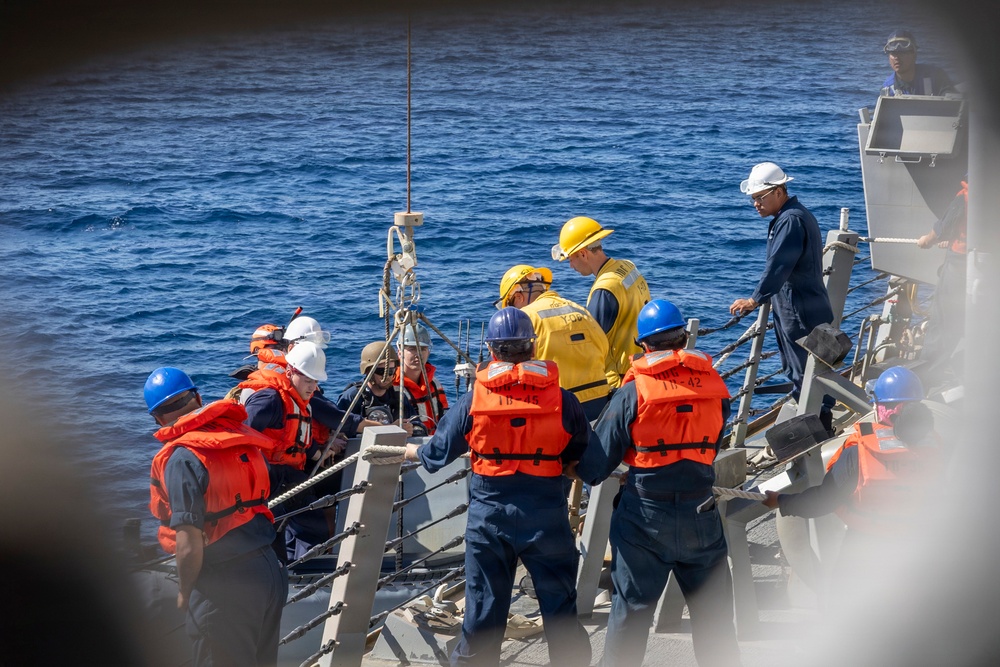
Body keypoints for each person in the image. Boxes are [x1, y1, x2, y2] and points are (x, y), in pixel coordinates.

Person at [405, 307, 592, 667]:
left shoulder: (474, 400)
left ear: (491, 350)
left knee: (483, 614)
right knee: (560, 612)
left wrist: (410, 450)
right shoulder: (563, 400)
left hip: (489, 520)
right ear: (532, 348)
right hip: (546, 518)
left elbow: (436, 455)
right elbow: (592, 464)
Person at [570, 299, 741, 667]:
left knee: (631, 612)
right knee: (714, 618)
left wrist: (573, 466)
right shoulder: (715, 388)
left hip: (644, 517)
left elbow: (595, 467)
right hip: (701, 513)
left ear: (644, 345)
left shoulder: (634, 392)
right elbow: (711, 444)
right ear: (684, 339)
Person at [145, 367, 287, 667]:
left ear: (157, 418)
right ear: (198, 399)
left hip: (224, 585)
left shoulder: (182, 458)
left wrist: (184, 592)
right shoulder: (239, 437)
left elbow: (188, 543)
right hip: (269, 572)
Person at [762, 367, 942, 598]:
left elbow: (823, 500)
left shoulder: (859, 453)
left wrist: (781, 501)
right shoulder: (935, 446)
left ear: (881, 408)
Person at [240, 342, 383, 561]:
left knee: (313, 526)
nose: (312, 387)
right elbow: (242, 435)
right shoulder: (269, 400)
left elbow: (294, 437)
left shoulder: (300, 401)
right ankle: (282, 570)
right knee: (273, 533)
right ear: (290, 372)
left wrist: (317, 452)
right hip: (267, 478)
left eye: (315, 381)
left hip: (289, 476)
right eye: (307, 380)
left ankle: (299, 567)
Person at [730, 162, 835, 431]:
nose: (755, 204)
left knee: (803, 372)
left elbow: (779, 264)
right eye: (753, 199)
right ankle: (820, 424)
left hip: (798, 309)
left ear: (779, 191)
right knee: (809, 369)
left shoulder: (789, 221)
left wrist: (755, 299)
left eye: (760, 197)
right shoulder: (796, 215)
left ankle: (818, 431)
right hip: (805, 305)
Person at [496, 263, 611, 420]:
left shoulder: (526, 318)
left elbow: (508, 367)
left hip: (560, 407)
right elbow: (604, 347)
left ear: (518, 297)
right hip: (601, 404)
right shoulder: (580, 310)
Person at [551, 216, 650, 388]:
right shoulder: (627, 266)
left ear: (583, 253)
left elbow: (590, 344)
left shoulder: (604, 290)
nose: (571, 266)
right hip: (642, 365)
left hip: (621, 381)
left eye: (570, 259)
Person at [917, 178, 968, 384]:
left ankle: (928, 376)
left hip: (959, 265)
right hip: (985, 263)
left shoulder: (965, 197)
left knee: (943, 320)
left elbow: (942, 229)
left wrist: (926, 241)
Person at [337, 340, 416, 426]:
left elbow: (416, 422)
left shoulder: (399, 396)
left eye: (391, 371)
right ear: (368, 371)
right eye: (381, 371)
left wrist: (412, 427)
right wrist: (392, 428)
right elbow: (337, 428)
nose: (386, 376)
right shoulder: (352, 397)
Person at [394, 322, 449, 435]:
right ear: (400, 352)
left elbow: (445, 416)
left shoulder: (434, 383)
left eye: (423, 349)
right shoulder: (392, 386)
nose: (418, 354)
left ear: (428, 352)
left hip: (435, 441)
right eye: (412, 349)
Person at [880, 30, 953, 97]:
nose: (897, 57)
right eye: (893, 53)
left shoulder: (936, 76)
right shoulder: (887, 88)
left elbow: (952, 101)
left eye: (902, 52)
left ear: (914, 55)